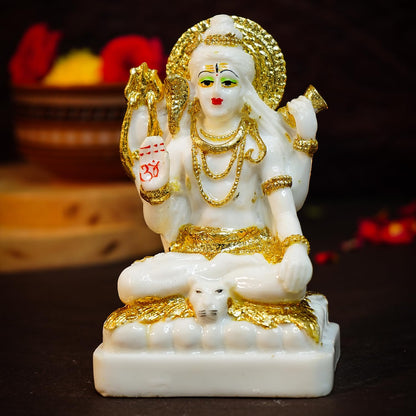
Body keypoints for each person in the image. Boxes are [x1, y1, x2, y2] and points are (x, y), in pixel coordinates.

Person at [118, 14, 320, 306]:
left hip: (250, 255)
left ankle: (207, 287)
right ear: (195, 88)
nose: (215, 92)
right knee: (129, 283)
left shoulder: (263, 145)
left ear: (245, 90)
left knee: (291, 285)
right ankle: (214, 285)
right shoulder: (181, 147)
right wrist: (154, 192)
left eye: (227, 82)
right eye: (206, 81)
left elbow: (285, 211)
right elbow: (161, 225)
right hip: (191, 255)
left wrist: (295, 250)